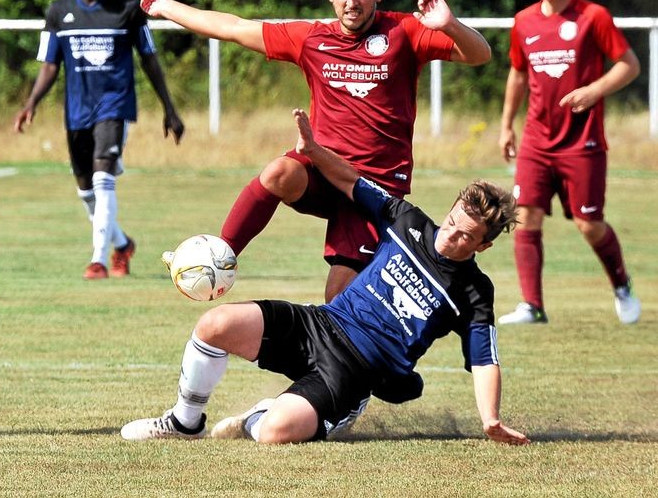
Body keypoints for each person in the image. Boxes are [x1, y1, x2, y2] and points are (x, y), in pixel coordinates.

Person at [119, 108, 529, 446]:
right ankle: (184, 422)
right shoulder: (409, 222)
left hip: (354, 371)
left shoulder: (474, 292)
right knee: (215, 324)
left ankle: (259, 417)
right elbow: (351, 181)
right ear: (453, 206)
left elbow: (484, 360)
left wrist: (490, 419)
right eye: (454, 220)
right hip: (319, 324)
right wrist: (313, 150)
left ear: (483, 246)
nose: (451, 235)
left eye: (465, 236)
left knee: (273, 435)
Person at [142, 0, 491, 301]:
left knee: (338, 297)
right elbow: (232, 27)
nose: (351, 1)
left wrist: (450, 25)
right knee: (279, 171)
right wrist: (168, 7)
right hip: (322, 171)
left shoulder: (404, 33)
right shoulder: (312, 39)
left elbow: (480, 54)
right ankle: (220, 257)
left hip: (374, 188)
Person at [13, 0, 185, 280]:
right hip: (77, 109)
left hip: (114, 104)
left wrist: (169, 108)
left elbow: (149, 59)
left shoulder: (127, 9)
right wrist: (30, 103)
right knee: (85, 189)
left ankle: (99, 260)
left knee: (104, 178)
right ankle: (122, 244)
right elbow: (49, 64)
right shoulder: (58, 10)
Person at [497, 0, 641, 325]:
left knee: (589, 224)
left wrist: (595, 90)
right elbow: (518, 74)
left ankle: (621, 283)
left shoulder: (594, 17)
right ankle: (532, 305)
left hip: (583, 142)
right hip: (536, 140)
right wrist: (505, 124)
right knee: (525, 216)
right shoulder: (523, 22)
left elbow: (629, 65)